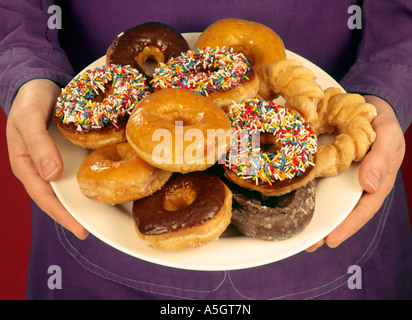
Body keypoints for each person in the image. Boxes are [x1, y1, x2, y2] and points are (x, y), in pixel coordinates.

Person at [1, 0, 411, 299]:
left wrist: (388, 87)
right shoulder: (162, 96)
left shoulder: (266, 106)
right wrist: (27, 68)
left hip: (333, 265)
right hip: (97, 260)